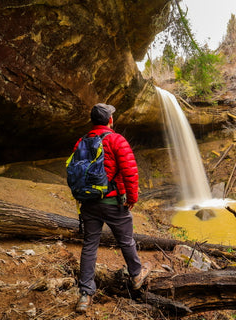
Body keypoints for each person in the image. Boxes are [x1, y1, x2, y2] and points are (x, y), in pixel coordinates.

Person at [74, 103, 151, 313]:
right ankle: (136, 275)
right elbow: (130, 171)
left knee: (90, 245)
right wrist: (132, 198)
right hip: (113, 202)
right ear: (110, 120)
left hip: (89, 203)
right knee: (126, 240)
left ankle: (85, 294)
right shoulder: (117, 140)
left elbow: (76, 173)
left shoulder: (81, 142)